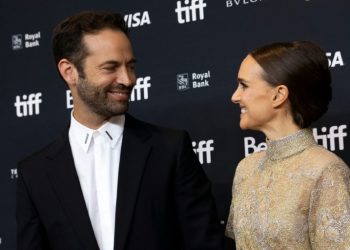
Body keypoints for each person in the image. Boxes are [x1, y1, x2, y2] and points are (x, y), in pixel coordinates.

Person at [16, 10, 223, 250]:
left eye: (130, 66)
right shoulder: (35, 173)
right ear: (69, 72)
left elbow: (205, 243)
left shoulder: (170, 150)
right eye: (110, 67)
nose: (127, 79)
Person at [225, 41, 350, 249]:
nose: (235, 96)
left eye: (244, 85)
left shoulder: (326, 171)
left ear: (279, 95)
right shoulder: (245, 169)